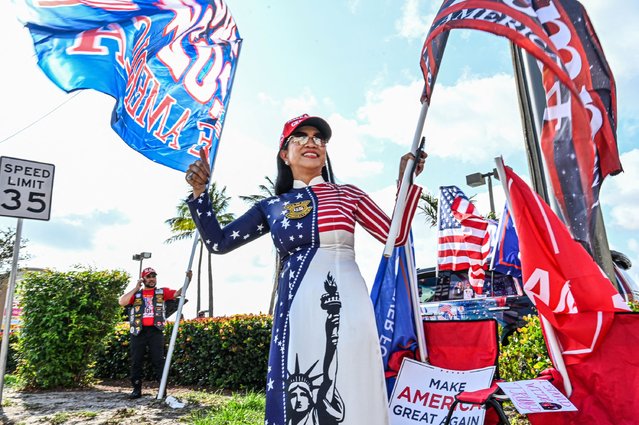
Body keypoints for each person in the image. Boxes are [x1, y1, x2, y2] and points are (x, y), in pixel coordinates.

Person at [184, 114, 426, 424]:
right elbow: (218, 242)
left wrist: (404, 182)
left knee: (353, 372)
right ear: (284, 155)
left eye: (318, 137)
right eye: (300, 137)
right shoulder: (270, 206)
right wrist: (200, 192)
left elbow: (395, 235)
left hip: (348, 301)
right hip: (296, 308)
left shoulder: (348, 194)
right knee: (299, 379)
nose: (311, 142)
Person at [118, 267, 187, 399]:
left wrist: (188, 279)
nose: (151, 279)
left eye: (153, 276)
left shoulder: (162, 292)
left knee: (158, 361)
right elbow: (122, 302)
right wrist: (135, 288)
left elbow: (178, 293)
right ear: (143, 279)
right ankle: (136, 389)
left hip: (156, 330)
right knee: (136, 360)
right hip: (138, 331)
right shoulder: (136, 294)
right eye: (148, 277)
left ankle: (162, 391)